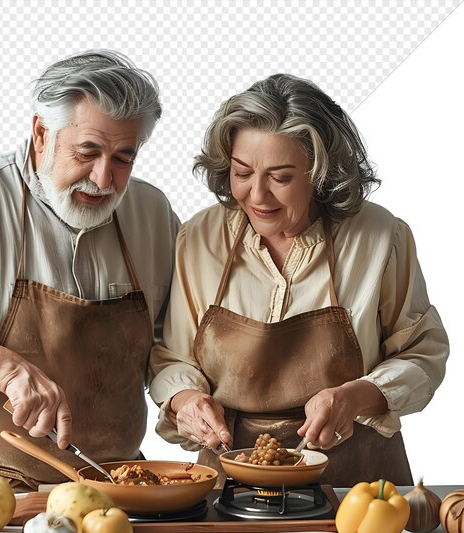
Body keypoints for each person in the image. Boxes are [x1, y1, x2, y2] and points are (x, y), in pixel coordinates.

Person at [0, 50, 180, 491]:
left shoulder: (153, 213)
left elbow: (170, 343)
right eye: (87, 152)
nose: (103, 179)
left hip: (114, 489)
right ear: (41, 134)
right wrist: (4, 369)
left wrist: (184, 393)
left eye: (124, 158)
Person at [149, 73, 449, 487]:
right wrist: (185, 400)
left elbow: (422, 355)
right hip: (227, 481)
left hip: (356, 483)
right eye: (242, 173)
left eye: (281, 177)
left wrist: (354, 397)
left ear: (320, 173)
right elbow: (172, 357)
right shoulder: (199, 237)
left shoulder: (381, 237)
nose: (257, 195)